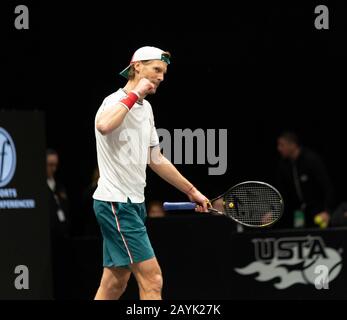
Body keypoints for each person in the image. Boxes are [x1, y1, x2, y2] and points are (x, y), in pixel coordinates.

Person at [93, 46, 209, 300]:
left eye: (164, 73)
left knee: (114, 283)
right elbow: (103, 126)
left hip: (134, 204)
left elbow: (154, 158)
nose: (161, 77)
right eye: (157, 69)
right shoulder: (113, 102)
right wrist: (135, 93)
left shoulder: (146, 110)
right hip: (116, 203)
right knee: (152, 280)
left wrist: (192, 191)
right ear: (137, 67)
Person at [275, 131, 335, 229]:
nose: (279, 149)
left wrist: (327, 211)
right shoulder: (283, 166)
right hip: (297, 215)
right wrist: (274, 212)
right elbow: (282, 193)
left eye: (282, 145)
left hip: (318, 213)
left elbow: (328, 188)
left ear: (293, 145)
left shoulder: (311, 160)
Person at [46, 148, 71, 299]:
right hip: (48, 239)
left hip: (62, 239)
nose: (53, 169)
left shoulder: (59, 186)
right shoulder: (39, 187)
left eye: (55, 165)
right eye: (49, 165)